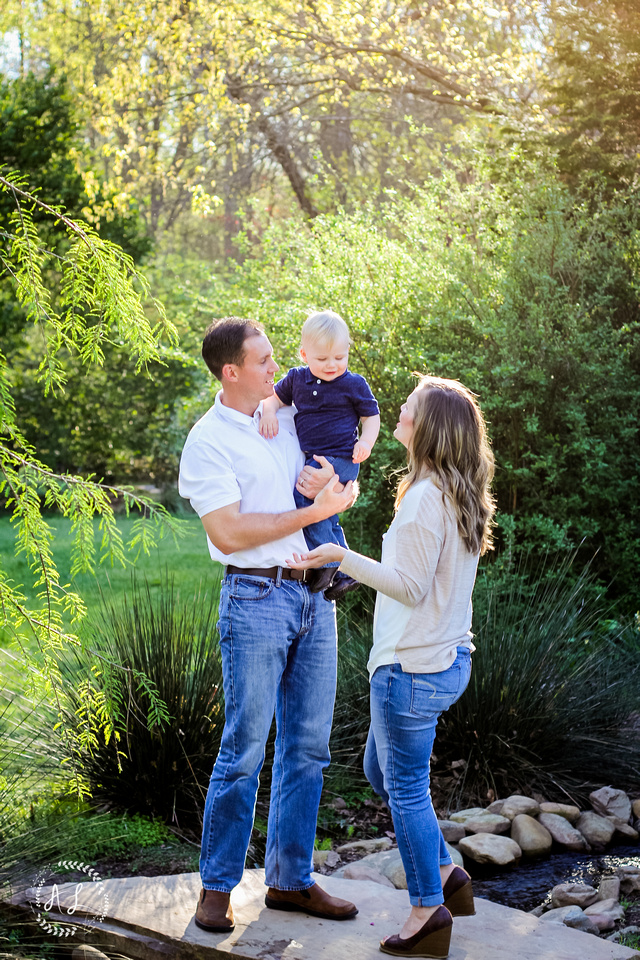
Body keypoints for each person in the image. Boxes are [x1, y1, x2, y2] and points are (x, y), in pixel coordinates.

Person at [288, 375, 496, 958]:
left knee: (403, 788)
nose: (395, 416)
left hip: (412, 668)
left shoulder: (429, 498)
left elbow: (407, 585)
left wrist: (337, 554)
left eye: (406, 410)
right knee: (381, 771)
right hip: (446, 658)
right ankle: (448, 875)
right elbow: (422, 580)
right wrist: (356, 571)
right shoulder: (450, 490)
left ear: (426, 428)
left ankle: (427, 910)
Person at [178, 317, 359, 934]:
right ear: (232, 371)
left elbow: (329, 484)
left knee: (308, 748)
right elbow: (228, 533)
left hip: (316, 596)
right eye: (263, 360)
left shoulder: (284, 418)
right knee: (244, 749)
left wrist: (336, 491)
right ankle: (218, 886)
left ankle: (289, 881)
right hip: (255, 599)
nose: (275, 367)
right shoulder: (208, 441)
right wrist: (310, 510)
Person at [259, 310, 380, 600]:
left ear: (347, 351)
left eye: (339, 358)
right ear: (304, 354)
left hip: (341, 458)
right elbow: (272, 399)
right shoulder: (297, 380)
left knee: (306, 501)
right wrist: (269, 413)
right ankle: (343, 569)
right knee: (325, 515)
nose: (332, 366)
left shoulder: (353, 383)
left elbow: (371, 417)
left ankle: (328, 564)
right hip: (317, 457)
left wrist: (366, 442)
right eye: (322, 359)